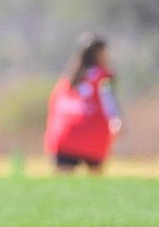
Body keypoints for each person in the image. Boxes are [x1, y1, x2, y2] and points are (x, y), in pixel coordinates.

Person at [43, 34, 123, 174]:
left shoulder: (68, 78)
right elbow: (109, 100)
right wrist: (116, 121)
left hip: (64, 135)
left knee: (62, 184)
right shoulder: (102, 77)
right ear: (99, 53)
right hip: (93, 136)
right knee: (95, 186)